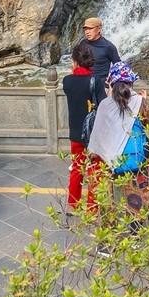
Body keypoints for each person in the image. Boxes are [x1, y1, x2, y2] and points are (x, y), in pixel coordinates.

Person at [85, 61, 149, 226]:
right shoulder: (139, 101)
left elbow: (99, 136)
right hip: (135, 158)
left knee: (108, 198)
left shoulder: (104, 105)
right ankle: (135, 231)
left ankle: (109, 233)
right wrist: (144, 101)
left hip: (110, 161)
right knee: (135, 195)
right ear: (131, 82)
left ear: (112, 84)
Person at [62, 42, 97, 210]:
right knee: (94, 168)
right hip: (93, 133)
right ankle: (93, 208)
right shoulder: (95, 81)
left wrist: (73, 71)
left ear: (75, 61)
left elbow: (71, 86)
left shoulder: (67, 81)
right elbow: (102, 105)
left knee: (77, 167)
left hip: (75, 133)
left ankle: (73, 204)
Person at [82, 16, 119, 82]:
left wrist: (111, 80)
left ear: (99, 29)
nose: (87, 32)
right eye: (85, 29)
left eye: (90, 28)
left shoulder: (108, 46)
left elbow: (119, 66)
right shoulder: (83, 43)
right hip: (84, 82)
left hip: (101, 84)